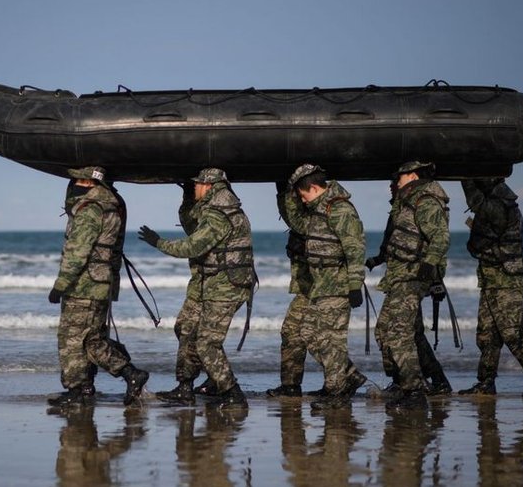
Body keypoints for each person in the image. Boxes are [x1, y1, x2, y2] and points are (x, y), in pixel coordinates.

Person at [138, 168, 255, 408]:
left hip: (225, 287)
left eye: (196, 185)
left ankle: (232, 391)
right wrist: (186, 198)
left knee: (207, 343)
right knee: (186, 328)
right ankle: (185, 387)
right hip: (208, 282)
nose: (194, 187)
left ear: (209, 186)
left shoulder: (219, 215)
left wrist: (158, 242)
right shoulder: (211, 209)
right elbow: (191, 224)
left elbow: (192, 246)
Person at [265, 164, 368, 408]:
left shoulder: (340, 210)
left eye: (302, 194)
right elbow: (296, 221)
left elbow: (355, 249)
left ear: (314, 187)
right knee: (309, 335)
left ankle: (336, 392)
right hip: (320, 286)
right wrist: (284, 192)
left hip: (337, 286)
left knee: (331, 340)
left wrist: (355, 285)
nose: (301, 199)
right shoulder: (315, 212)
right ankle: (347, 378)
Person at [47, 166, 149, 407]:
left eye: (77, 180)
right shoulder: (112, 205)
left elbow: (77, 252)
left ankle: (117, 377)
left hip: (84, 285)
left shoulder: (90, 209)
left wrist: (60, 285)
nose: (73, 185)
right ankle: (86, 387)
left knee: (74, 339)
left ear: (87, 182)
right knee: (92, 338)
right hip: (101, 282)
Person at [458, 178, 523, 397]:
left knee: (511, 332)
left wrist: (465, 176)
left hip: (505, 280)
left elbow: (476, 244)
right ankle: (486, 382)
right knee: (487, 334)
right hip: (494, 280)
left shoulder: (498, 206)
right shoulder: (500, 203)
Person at [374, 161, 451, 410]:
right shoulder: (406, 202)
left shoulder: (425, 201)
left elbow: (440, 236)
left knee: (397, 333)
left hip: (412, 277)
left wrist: (430, 265)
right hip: (399, 277)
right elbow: (402, 238)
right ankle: (429, 381)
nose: (396, 181)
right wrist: (379, 258)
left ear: (413, 175)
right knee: (388, 330)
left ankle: (414, 390)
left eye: (400, 176)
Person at [265, 182, 314, 398]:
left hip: (320, 287)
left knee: (314, 337)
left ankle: (345, 377)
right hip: (308, 286)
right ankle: (291, 386)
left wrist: (281, 191)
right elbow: (292, 218)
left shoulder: (318, 215)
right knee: (291, 333)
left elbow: (294, 218)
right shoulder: (308, 214)